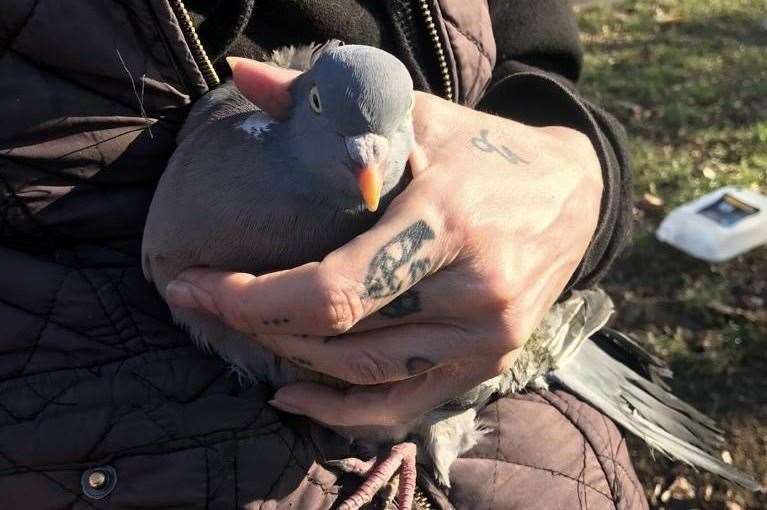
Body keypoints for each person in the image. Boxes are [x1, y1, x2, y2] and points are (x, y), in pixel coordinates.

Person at [0, 0, 646, 508]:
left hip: (492, 422)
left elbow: (530, 65)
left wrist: (579, 170)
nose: (366, 161)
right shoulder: (224, 138)